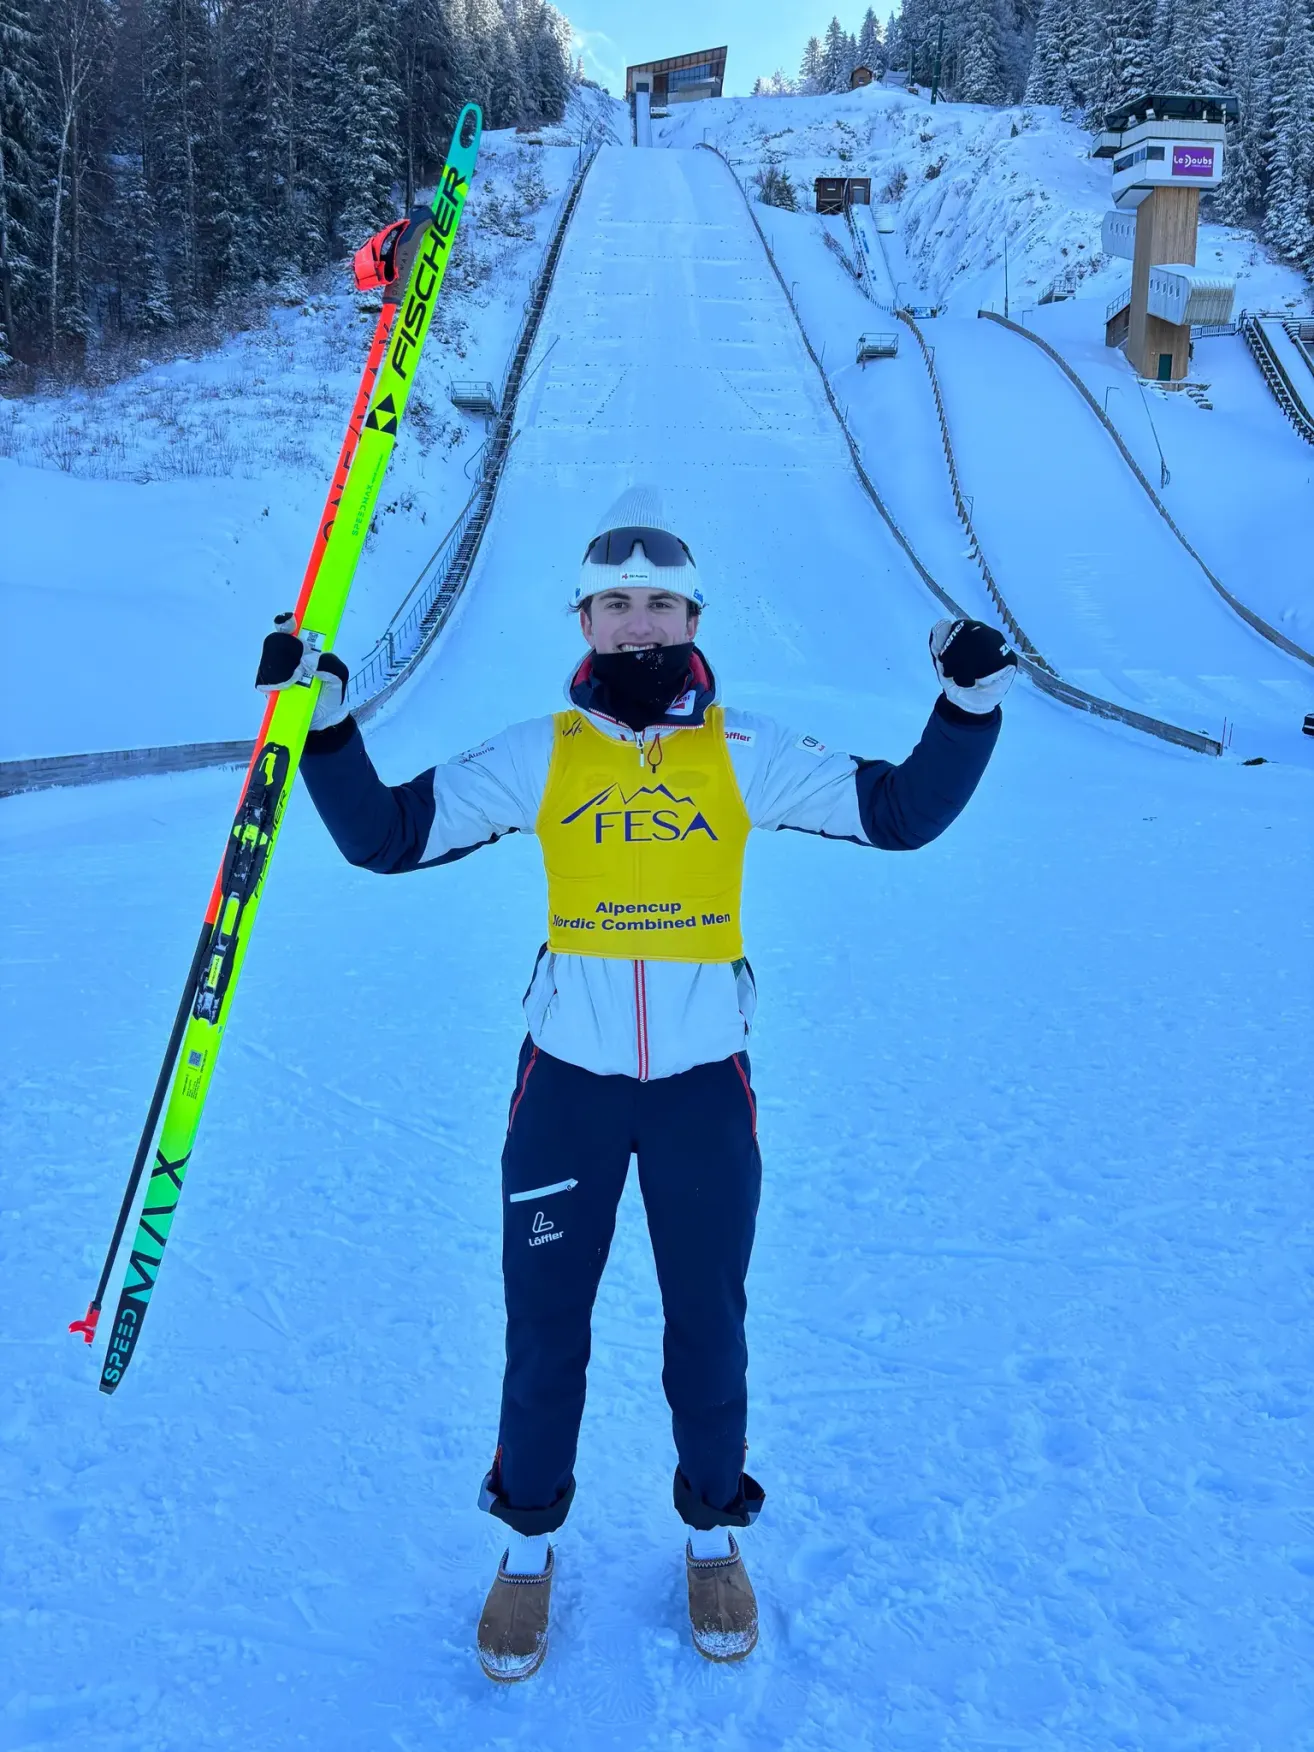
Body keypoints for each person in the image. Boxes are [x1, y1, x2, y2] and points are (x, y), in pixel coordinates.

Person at [255, 484, 1016, 1682]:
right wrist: (330, 729)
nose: (639, 620)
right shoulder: (541, 754)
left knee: (708, 1322)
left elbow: (900, 812)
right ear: (585, 621)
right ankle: (525, 1549)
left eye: (661, 602)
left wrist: (965, 706)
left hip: (702, 1092)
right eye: (616, 602)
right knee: (544, 1323)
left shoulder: (746, 753)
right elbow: (386, 836)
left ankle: (713, 1535)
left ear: (695, 617)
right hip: (568, 1089)